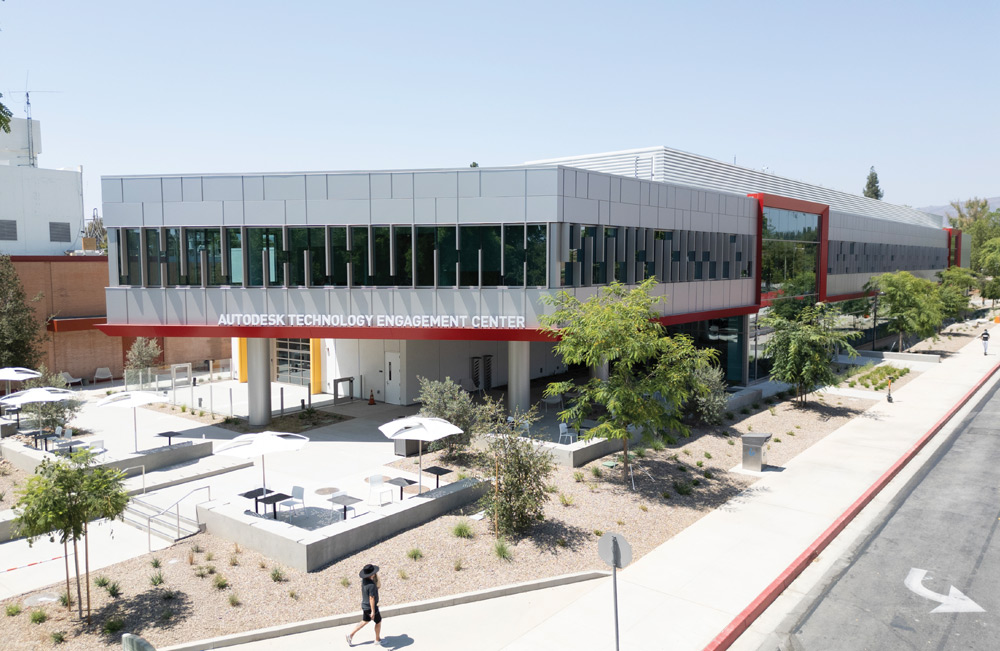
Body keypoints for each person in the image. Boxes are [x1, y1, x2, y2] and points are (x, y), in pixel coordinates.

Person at [346, 563, 384, 647]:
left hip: (364, 605)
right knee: (378, 621)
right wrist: (373, 611)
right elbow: (372, 598)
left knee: (365, 621)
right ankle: (377, 640)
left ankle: (350, 635)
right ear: (372, 574)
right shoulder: (371, 585)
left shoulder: (364, 581)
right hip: (370, 607)